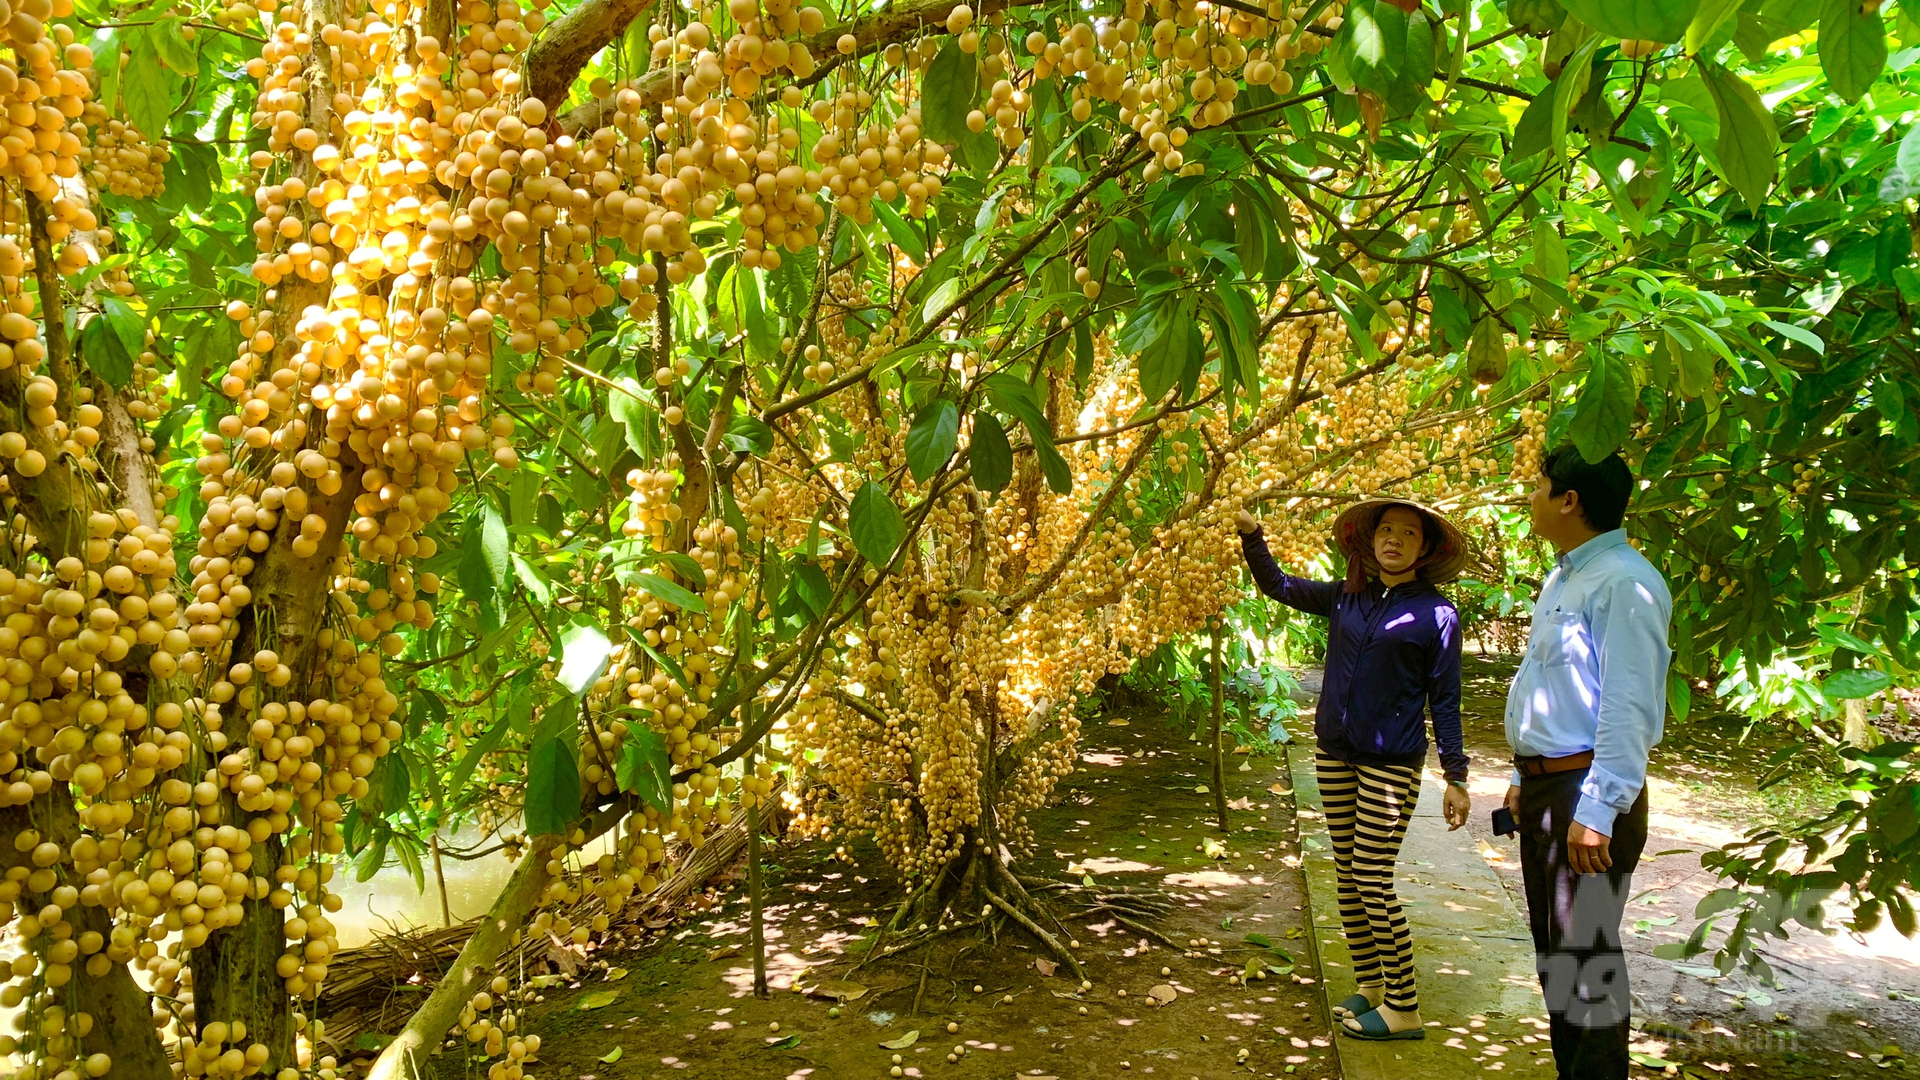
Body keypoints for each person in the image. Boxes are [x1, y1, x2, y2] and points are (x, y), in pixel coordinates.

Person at [1235, 498, 1472, 1042]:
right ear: (1370, 541)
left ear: (1425, 547)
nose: (1394, 539)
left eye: (1407, 533)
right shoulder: (1348, 597)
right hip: (1336, 754)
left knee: (1370, 876)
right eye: (1386, 530)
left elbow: (1447, 700)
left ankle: (1405, 1007)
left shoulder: (1438, 615)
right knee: (1346, 874)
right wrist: (1253, 534)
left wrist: (1456, 776)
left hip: (1392, 765)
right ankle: (1371, 986)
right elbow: (1280, 585)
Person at [1502, 446, 1672, 1080]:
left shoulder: (1624, 582)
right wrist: (1524, 777)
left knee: (1588, 966)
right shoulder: (1566, 577)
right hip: (1552, 791)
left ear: (1570, 500)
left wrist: (1597, 810)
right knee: (1560, 963)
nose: (1532, 494)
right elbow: (1550, 689)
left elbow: (1628, 706)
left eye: (1540, 484)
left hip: (1587, 794)